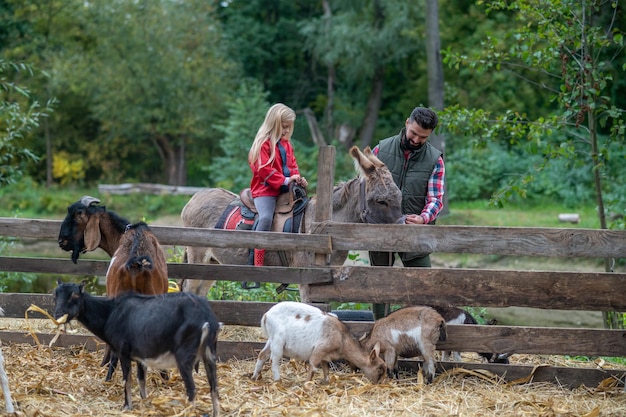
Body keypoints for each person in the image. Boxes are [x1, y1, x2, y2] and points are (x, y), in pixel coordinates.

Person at [370, 107, 445, 318]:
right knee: (380, 283)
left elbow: (436, 199)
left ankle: (418, 332)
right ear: (407, 123)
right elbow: (366, 188)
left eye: (423, 137)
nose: (416, 139)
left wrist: (424, 218)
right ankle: (380, 331)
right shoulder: (381, 150)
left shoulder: (434, 159)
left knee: (422, 284)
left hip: (415, 230)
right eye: (414, 133)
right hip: (382, 228)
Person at [248, 103, 308, 266]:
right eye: (284, 127)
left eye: (289, 127)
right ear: (273, 124)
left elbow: (293, 166)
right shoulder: (263, 144)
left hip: (285, 190)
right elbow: (264, 170)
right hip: (265, 191)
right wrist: (286, 180)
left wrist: (298, 178)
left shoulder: (287, 145)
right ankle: (257, 258)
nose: (287, 131)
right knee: (266, 218)